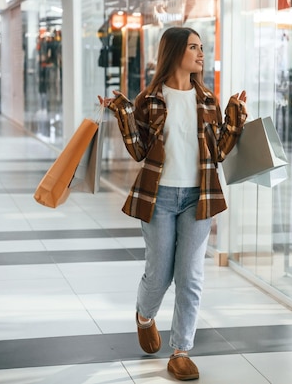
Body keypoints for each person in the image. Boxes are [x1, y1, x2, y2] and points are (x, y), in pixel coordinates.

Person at [99, 27, 247, 381]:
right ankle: (144, 315)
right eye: (193, 47)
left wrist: (235, 116)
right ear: (175, 52)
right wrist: (121, 110)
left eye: (202, 47)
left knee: (191, 276)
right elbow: (137, 150)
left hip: (199, 197)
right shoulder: (149, 100)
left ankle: (181, 351)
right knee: (159, 272)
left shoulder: (207, 99)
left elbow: (220, 153)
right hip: (159, 197)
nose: (201, 53)